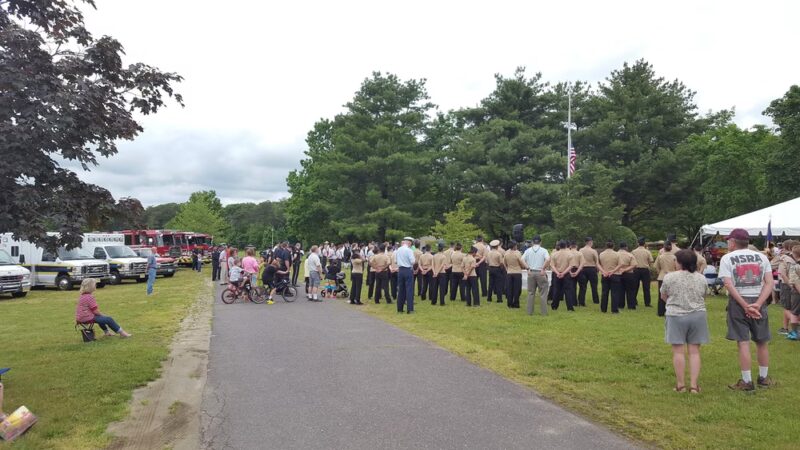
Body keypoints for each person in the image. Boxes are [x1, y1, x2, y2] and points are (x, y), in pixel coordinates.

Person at [719, 229, 775, 391]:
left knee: (743, 342)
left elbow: (728, 284)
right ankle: (763, 378)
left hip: (738, 302)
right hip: (759, 299)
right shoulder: (762, 257)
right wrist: (758, 303)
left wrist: (745, 305)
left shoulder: (727, 258)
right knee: (762, 341)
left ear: (733, 242)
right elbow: (769, 282)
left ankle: (747, 381)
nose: (728, 243)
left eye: (729, 240)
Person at [660, 249, 709, 393]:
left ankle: (680, 385)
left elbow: (663, 295)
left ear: (680, 262)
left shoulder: (670, 277)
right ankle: (694, 385)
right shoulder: (701, 278)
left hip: (676, 315)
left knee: (678, 352)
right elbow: (704, 295)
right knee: (694, 351)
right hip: (697, 315)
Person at [523, 236, 550, 316]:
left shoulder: (528, 250)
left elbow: (521, 259)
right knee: (543, 293)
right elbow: (548, 259)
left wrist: (527, 269)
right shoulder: (544, 250)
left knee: (531, 293)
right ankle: (544, 312)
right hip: (540, 273)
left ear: (532, 242)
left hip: (531, 272)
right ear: (540, 242)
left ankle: (529, 312)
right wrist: (543, 268)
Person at [776, 240, 797, 335]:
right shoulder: (796, 257)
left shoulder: (784, 258)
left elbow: (782, 273)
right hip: (796, 284)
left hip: (787, 284)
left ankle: (795, 324)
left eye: (783, 247)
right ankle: (785, 328)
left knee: (786, 307)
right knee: (792, 308)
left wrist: (790, 285)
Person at [655, 242, 678, 317]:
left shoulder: (660, 257)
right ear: (671, 248)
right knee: (672, 294)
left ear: (664, 248)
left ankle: (660, 312)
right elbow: (677, 267)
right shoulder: (675, 257)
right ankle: (672, 310)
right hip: (672, 276)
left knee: (661, 294)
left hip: (662, 276)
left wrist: (660, 272)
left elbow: (656, 266)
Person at [598, 240, 621, 314]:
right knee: (615, 293)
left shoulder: (601, 254)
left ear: (606, 246)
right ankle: (614, 310)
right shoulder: (617, 254)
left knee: (604, 292)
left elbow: (598, 264)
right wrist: (613, 271)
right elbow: (620, 264)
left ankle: (603, 309)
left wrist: (603, 271)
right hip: (615, 275)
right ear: (613, 246)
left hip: (605, 275)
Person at [550, 241, 573, 311]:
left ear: (559, 246)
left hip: (557, 274)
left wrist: (557, 273)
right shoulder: (570, 254)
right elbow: (571, 266)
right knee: (568, 291)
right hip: (566, 274)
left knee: (556, 290)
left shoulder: (554, 254)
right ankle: (570, 307)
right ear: (566, 246)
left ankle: (554, 306)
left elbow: (552, 265)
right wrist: (563, 273)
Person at [504, 241, 527, 308]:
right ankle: (516, 303)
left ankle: (509, 303)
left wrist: (507, 269)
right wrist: (525, 267)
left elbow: (504, 263)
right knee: (517, 289)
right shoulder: (517, 253)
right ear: (514, 246)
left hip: (509, 272)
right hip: (517, 272)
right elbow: (521, 262)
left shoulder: (506, 253)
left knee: (509, 289)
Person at [632, 237, 654, 307]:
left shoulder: (633, 251)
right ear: (644, 244)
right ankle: (647, 303)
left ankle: (634, 301)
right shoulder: (647, 252)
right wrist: (650, 268)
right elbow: (651, 261)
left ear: (638, 243)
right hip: (645, 270)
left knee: (634, 287)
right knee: (646, 287)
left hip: (636, 270)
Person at [395, 237, 416, 313]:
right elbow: (413, 262)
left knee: (401, 289)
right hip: (408, 270)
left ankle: (399, 308)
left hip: (400, 270)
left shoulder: (398, 250)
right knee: (409, 289)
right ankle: (410, 309)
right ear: (409, 243)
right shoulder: (409, 250)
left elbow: (396, 261)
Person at [577, 237, 600, 305]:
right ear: (590, 242)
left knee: (582, 286)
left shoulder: (580, 250)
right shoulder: (593, 251)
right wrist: (598, 269)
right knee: (594, 286)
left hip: (583, 269)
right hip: (592, 269)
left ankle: (581, 301)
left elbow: (578, 260)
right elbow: (597, 261)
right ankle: (596, 300)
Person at [617, 242, 638, 309]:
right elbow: (634, 265)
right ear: (626, 247)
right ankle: (631, 305)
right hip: (629, 274)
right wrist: (625, 269)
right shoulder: (630, 255)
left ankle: (620, 305)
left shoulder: (615, 254)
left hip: (618, 273)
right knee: (631, 291)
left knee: (620, 290)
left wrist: (621, 270)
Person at [786, 246, 800, 340]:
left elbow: (795, 281)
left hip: (797, 292)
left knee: (794, 312)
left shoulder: (795, 266)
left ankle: (795, 333)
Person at [567, 241, 584, 307]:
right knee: (582, 287)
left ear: (570, 246)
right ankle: (581, 301)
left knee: (572, 287)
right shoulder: (580, 253)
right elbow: (582, 263)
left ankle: (574, 302)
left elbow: (566, 264)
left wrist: (570, 272)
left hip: (570, 269)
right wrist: (577, 272)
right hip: (578, 269)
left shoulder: (568, 253)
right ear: (576, 246)